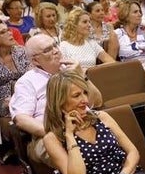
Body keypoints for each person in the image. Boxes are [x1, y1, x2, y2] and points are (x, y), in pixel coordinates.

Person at [9, 34, 103, 165]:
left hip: (85, 124)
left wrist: (81, 75)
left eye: (55, 45)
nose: (56, 50)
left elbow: (97, 102)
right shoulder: (27, 82)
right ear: (36, 61)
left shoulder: (71, 71)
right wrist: (62, 132)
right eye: (48, 50)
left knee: (116, 144)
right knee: (87, 158)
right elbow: (21, 119)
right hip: (51, 135)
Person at [115, 0, 145, 65]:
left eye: (140, 11)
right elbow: (111, 61)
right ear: (126, 15)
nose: (140, 14)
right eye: (135, 12)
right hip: (129, 69)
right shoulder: (116, 34)